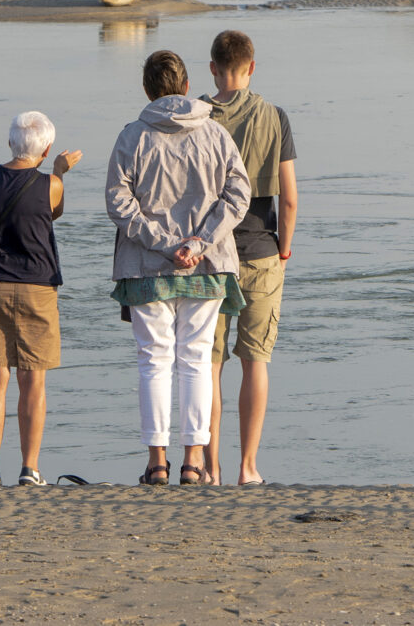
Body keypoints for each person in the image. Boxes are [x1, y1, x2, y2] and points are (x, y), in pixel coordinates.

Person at [104, 49, 249, 486]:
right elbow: (238, 195)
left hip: (148, 266)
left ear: (148, 89)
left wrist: (166, 244)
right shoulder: (216, 134)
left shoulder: (132, 136)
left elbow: (118, 202)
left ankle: (156, 462)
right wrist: (198, 242)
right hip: (205, 267)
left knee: (154, 360)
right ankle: (192, 462)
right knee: (196, 359)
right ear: (186, 86)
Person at [188, 28, 298, 487]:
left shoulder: (195, 117)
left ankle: (208, 468)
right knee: (256, 360)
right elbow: (289, 199)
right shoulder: (275, 116)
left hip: (210, 254)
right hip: (260, 249)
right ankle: (247, 467)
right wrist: (284, 248)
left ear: (212, 67)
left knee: (210, 363)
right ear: (252, 66)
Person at [0, 110, 82, 488]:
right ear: (46, 148)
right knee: (33, 381)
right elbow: (52, 212)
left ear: (10, 142)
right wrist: (60, 172)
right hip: (36, 286)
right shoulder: (50, 183)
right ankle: (30, 469)